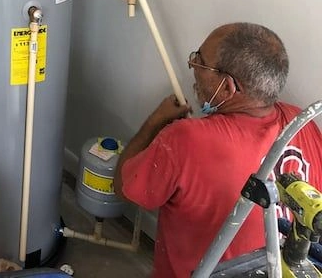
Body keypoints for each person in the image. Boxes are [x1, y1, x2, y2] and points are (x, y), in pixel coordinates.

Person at [114, 22, 322, 278]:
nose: (192, 65)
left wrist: (156, 121)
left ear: (227, 87)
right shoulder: (303, 123)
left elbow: (124, 188)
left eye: (200, 62)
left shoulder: (186, 139)